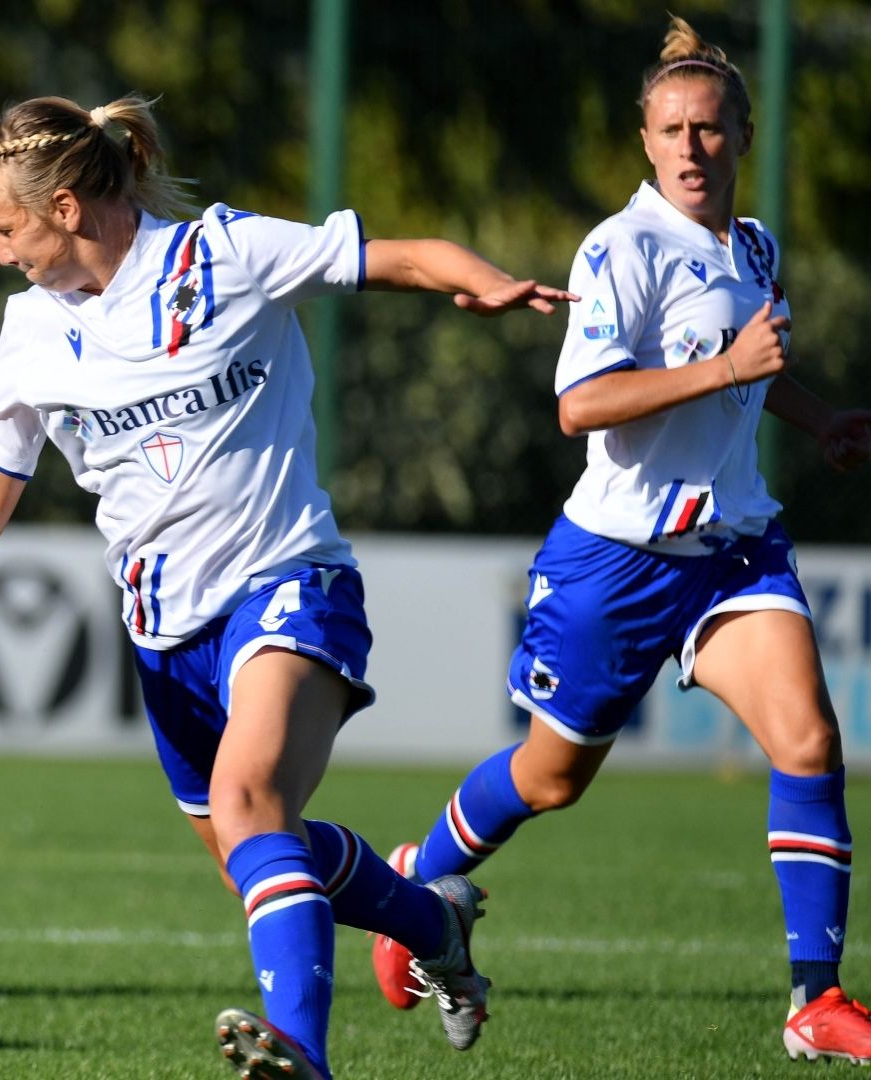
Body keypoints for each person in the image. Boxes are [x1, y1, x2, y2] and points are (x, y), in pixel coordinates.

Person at [0, 94, 572, 1079]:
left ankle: (304, 1059)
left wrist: (486, 281)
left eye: (6, 228)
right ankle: (435, 920)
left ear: (67, 206)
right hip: (165, 641)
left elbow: (394, 256)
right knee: (259, 854)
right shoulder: (32, 329)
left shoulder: (224, 255)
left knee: (252, 808)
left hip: (288, 582)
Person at [368, 16, 871, 1066]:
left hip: (732, 549)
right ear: (645, 142)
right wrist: (729, 369)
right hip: (618, 563)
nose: (692, 147)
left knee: (810, 742)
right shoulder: (621, 249)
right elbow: (584, 404)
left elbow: (750, 364)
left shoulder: (755, 244)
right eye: (672, 129)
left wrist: (818, 418)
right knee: (553, 780)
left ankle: (814, 1002)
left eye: (710, 128)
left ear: (741, 131)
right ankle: (416, 882)